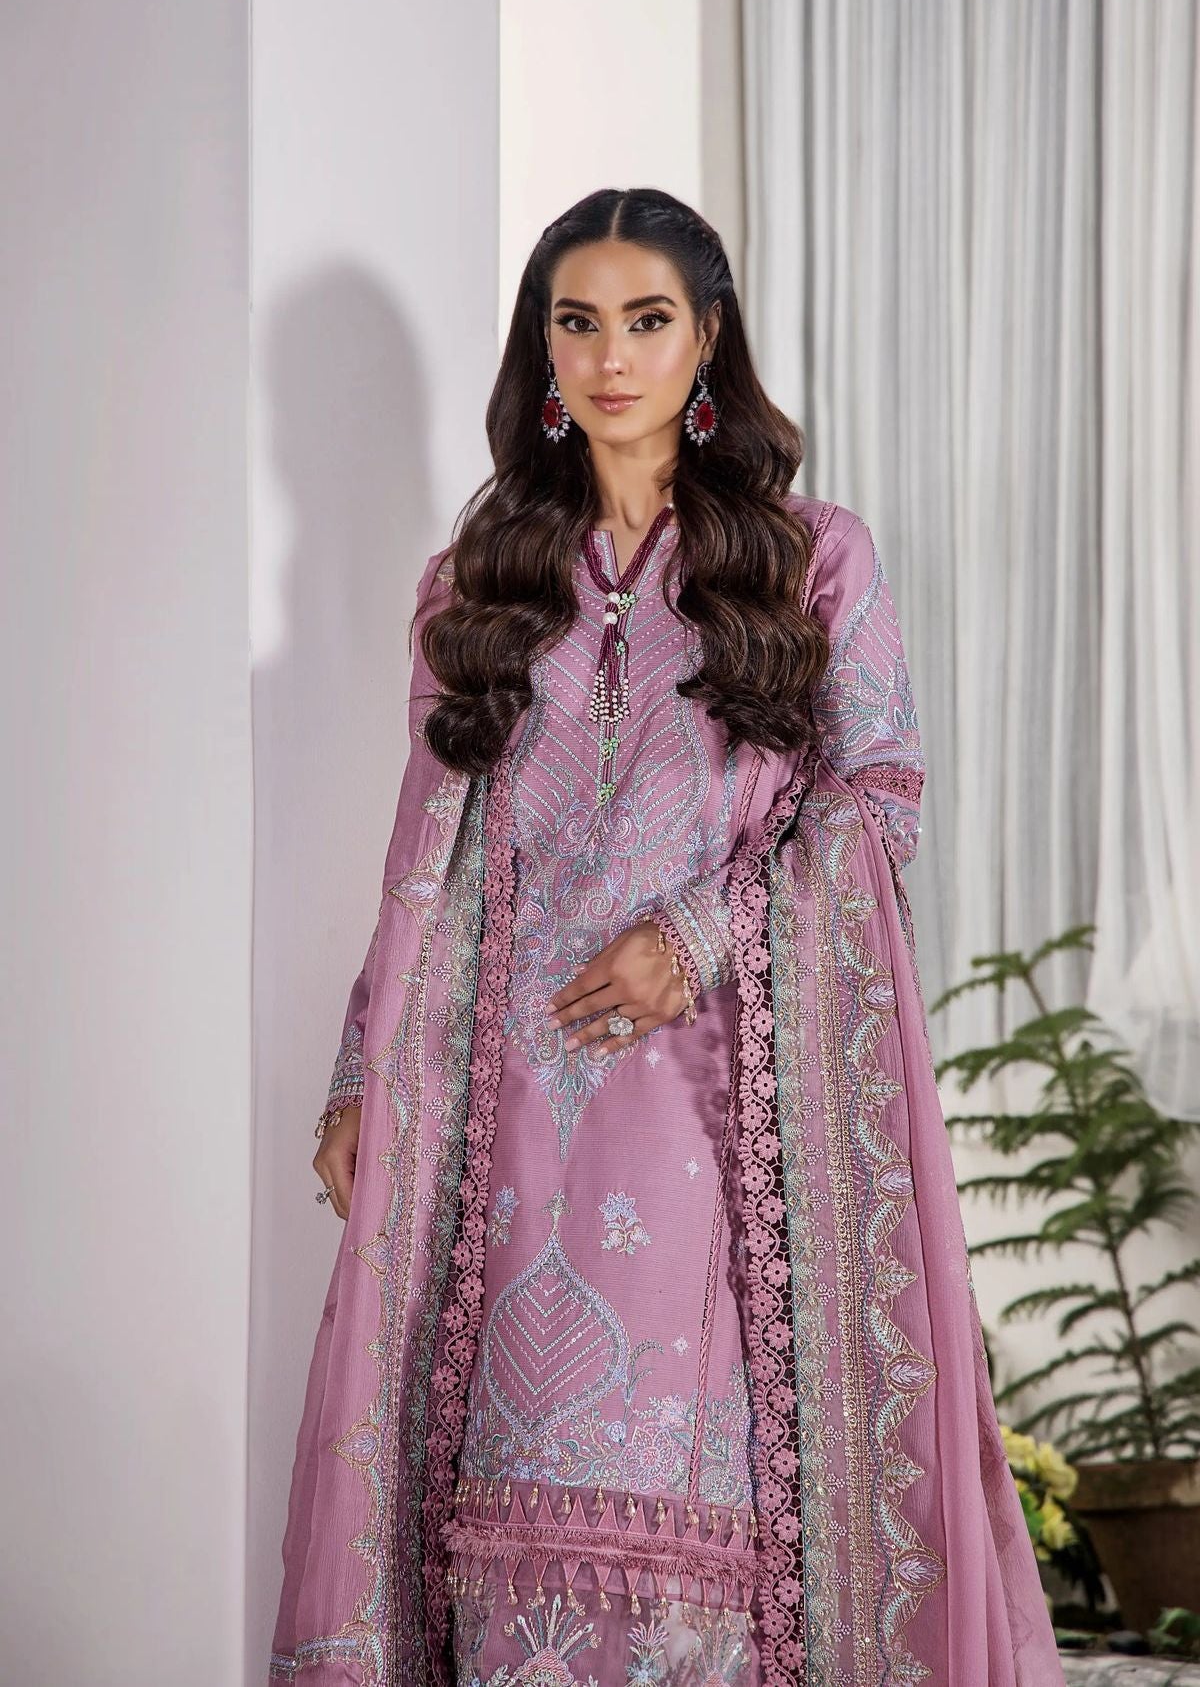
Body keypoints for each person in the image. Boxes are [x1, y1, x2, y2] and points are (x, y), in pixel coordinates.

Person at [269, 188, 1064, 1687]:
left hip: (719, 1108)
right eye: (577, 324)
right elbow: (421, 860)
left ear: (707, 341)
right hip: (505, 1118)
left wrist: (695, 937)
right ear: (542, 353)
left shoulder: (810, 561)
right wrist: (356, 1076)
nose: (611, 358)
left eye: (646, 321)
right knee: (490, 1499)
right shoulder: (481, 587)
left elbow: (879, 801)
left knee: (705, 1501)